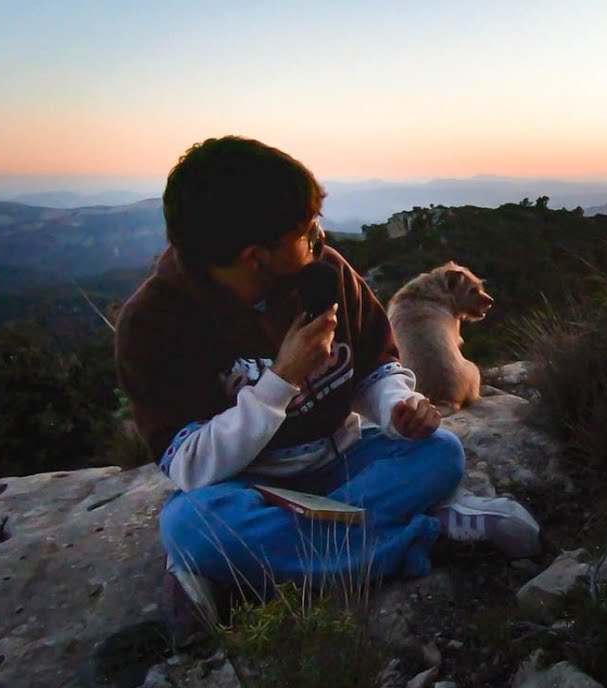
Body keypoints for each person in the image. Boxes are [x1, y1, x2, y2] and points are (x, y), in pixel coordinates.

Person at [115, 136, 541, 633]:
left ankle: (247, 575)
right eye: (306, 232)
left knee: (439, 451)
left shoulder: (328, 273)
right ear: (256, 256)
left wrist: (400, 405)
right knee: (191, 526)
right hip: (250, 488)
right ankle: (423, 535)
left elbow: (376, 368)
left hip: (341, 464)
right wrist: (282, 380)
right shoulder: (155, 322)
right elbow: (189, 465)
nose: (319, 238)